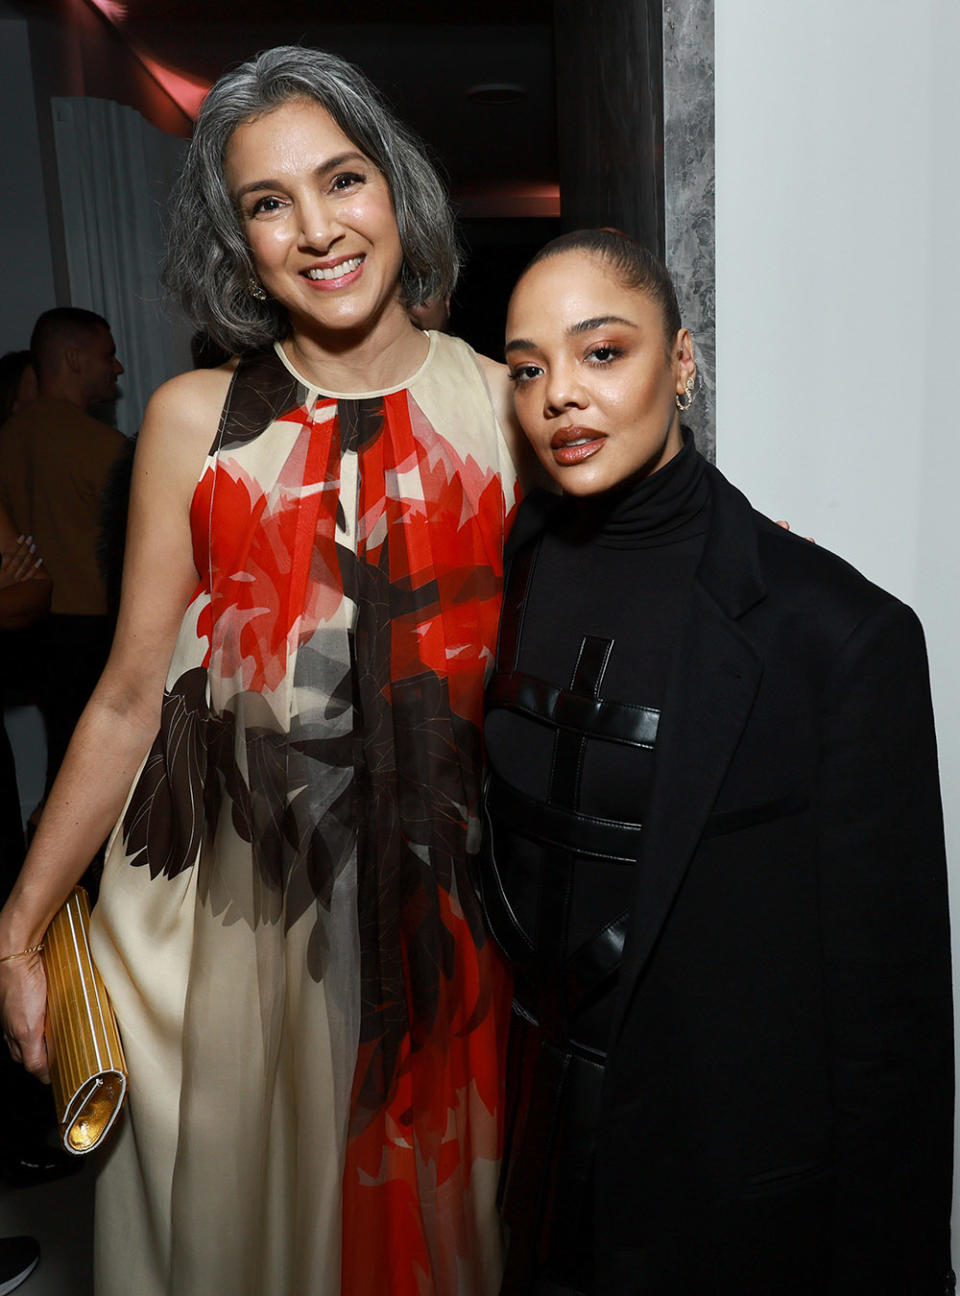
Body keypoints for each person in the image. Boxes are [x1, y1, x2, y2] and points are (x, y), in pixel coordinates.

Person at [0, 45, 523, 1296]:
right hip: (247, 930)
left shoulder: (508, 409)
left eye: (341, 180)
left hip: (458, 925)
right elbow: (130, 692)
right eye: (267, 202)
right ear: (238, 241)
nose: (317, 229)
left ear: (396, 188)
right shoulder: (193, 419)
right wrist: (21, 923)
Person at [481, 228, 953, 1295]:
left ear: (682, 362)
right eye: (527, 367)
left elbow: (895, 1032)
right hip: (543, 1173)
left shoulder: (835, 633)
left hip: (728, 1198)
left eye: (602, 352)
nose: (560, 393)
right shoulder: (519, 565)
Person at [0, 312, 127, 795]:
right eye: (107, 355)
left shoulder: (8, 438)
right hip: (93, 631)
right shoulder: (101, 447)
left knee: (64, 770)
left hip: (31, 633)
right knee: (102, 781)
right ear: (73, 359)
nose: (117, 369)